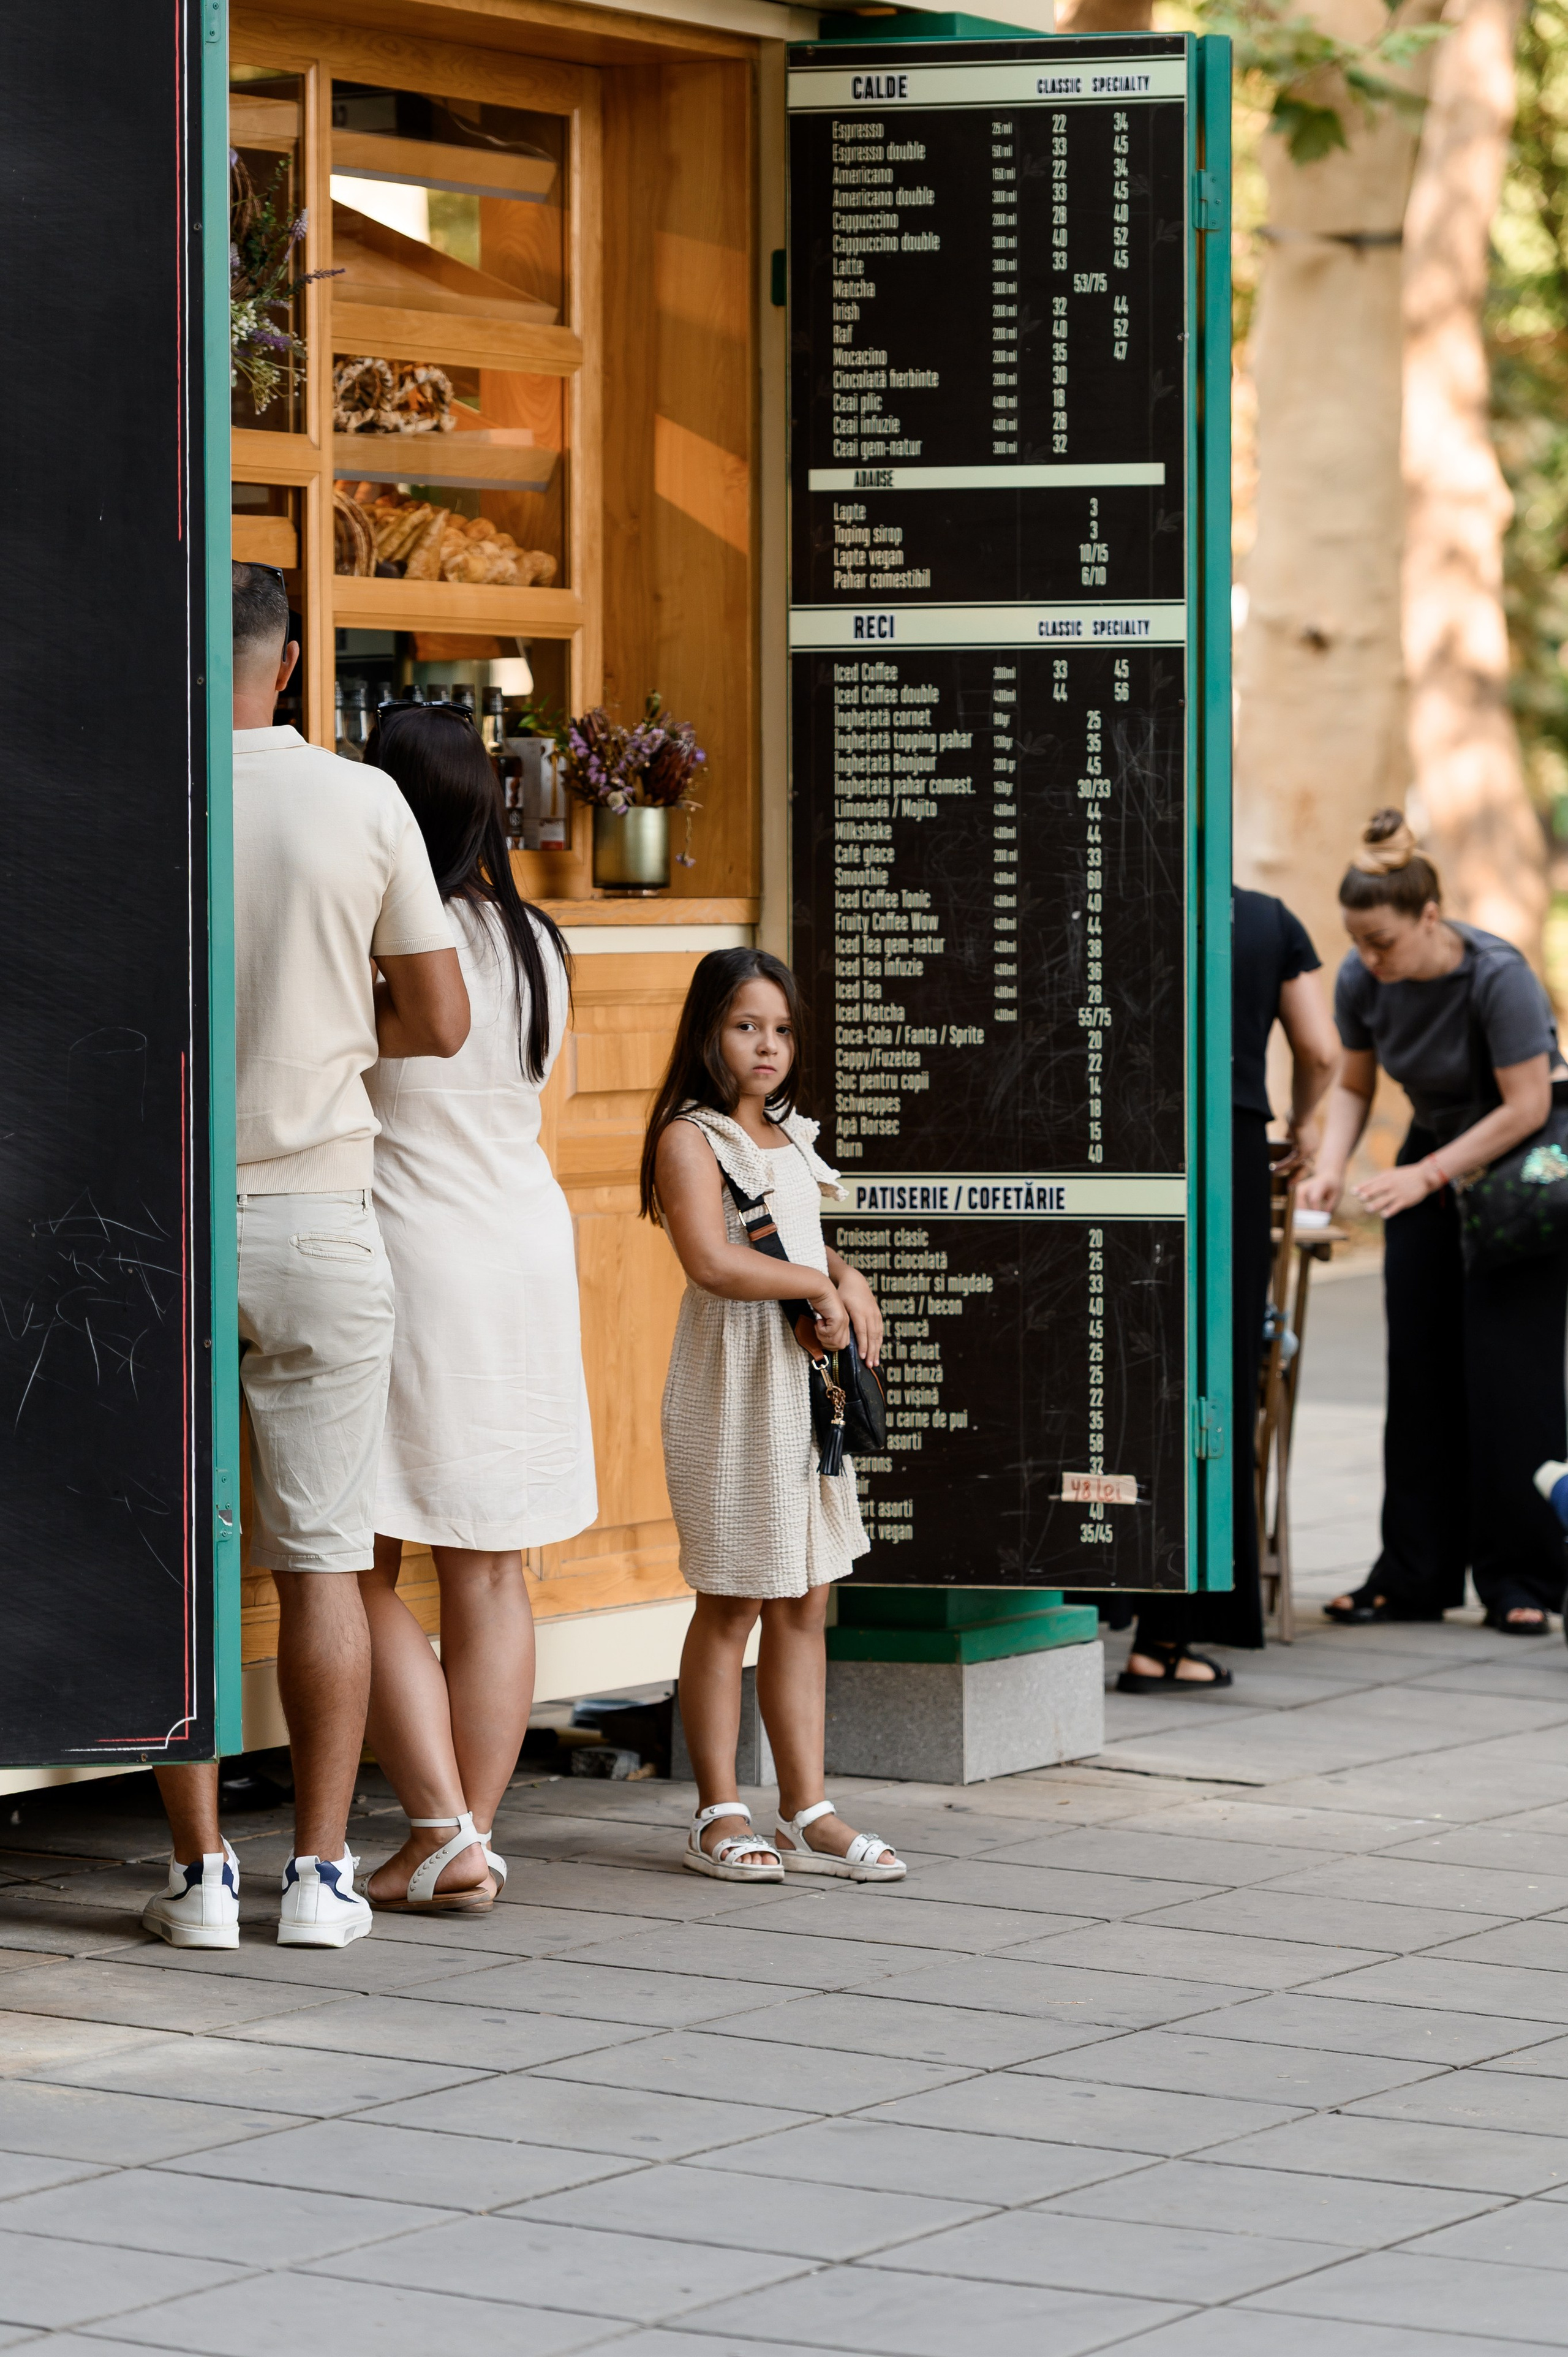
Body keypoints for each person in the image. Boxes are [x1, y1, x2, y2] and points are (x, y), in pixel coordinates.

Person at [140, 568, 469, 1952]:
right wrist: (340, 1041)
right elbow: (442, 1019)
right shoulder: (361, 798)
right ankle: (321, 1875)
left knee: (176, 1559)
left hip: (158, 1222)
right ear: (284, 665)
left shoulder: (139, 794)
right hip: (323, 1213)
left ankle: (203, 1875)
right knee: (326, 1563)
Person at [354, 703, 596, 1912]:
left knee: (356, 1561)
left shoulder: (386, 930)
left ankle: (442, 1826)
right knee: (493, 1571)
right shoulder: (537, 938)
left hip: (414, 1253)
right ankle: (468, 1839)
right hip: (526, 1249)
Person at [643, 949, 905, 1882]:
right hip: (735, 1388)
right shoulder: (691, 1136)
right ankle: (719, 1810)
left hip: (804, 1393)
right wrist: (812, 1282)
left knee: (806, 1596)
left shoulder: (790, 1134)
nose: (768, 1046)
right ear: (708, 1030)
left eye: (782, 1029)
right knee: (733, 1596)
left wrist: (847, 1276)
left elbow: (804, 1241)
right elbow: (711, 1261)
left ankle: (809, 1807)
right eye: (747, 1026)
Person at [1300, 809, 1568, 1633]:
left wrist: (1426, 1174)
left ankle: (1521, 1581)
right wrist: (1332, 1165)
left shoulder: (1497, 974)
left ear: (1429, 915)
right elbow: (1352, 1087)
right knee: (1417, 1374)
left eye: (1382, 941)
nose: (1370, 960)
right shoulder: (1362, 979)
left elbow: (1528, 1103)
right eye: (1358, 942)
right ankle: (1412, 1575)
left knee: (1507, 1380)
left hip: (1522, 1165)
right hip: (1435, 1156)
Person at [1117, 888, 1340, 1692]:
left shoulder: (1122, 892)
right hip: (1230, 1146)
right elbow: (1320, 1050)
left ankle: (1118, 1603)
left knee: (1134, 1373)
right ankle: (1167, 1636)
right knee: (1213, 1379)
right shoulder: (1272, 918)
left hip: (1129, 1142)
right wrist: (1308, 1126)